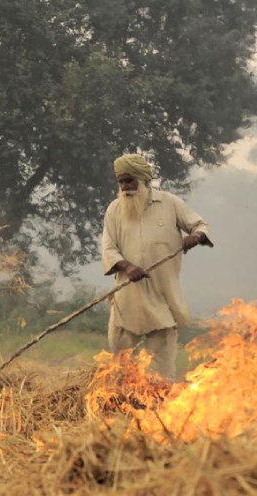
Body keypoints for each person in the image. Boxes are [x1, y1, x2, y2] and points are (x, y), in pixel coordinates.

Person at [101, 153, 213, 381]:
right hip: (127, 297)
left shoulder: (170, 203)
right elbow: (109, 248)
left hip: (162, 297)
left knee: (161, 372)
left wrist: (196, 236)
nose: (125, 187)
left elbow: (200, 225)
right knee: (120, 365)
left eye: (129, 181)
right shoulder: (114, 209)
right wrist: (127, 266)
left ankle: (161, 398)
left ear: (143, 179)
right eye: (121, 182)